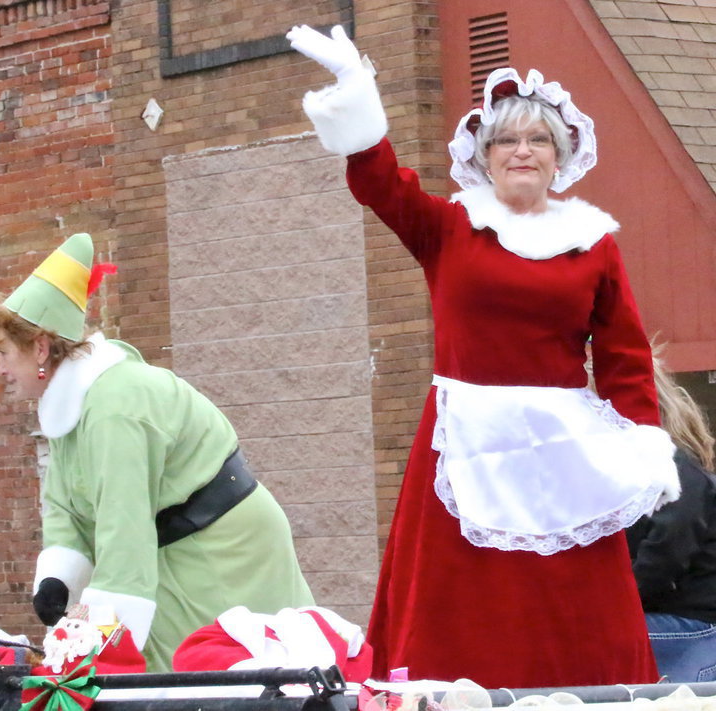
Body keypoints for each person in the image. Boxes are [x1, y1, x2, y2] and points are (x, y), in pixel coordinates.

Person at [286, 25, 680, 687]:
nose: (522, 150)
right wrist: (356, 90)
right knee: (459, 616)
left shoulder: (594, 244)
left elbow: (624, 358)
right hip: (461, 444)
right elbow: (380, 181)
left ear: (561, 155)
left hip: (564, 450)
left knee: (575, 615)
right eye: (506, 138)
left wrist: (641, 442)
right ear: (484, 153)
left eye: (537, 140)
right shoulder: (448, 226)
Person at [0, 232, 314, 672]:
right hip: (166, 547)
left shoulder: (115, 408)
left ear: (40, 348)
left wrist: (95, 642)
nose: (0, 368)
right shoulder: (67, 405)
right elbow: (63, 504)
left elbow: (124, 526)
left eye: (4, 353)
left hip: (222, 549)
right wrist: (58, 580)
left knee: (220, 680)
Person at [627, 354, 716, 682]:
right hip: (671, 616)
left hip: (694, 623)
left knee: (584, 637)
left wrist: (610, 606)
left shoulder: (679, 474)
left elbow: (663, 559)